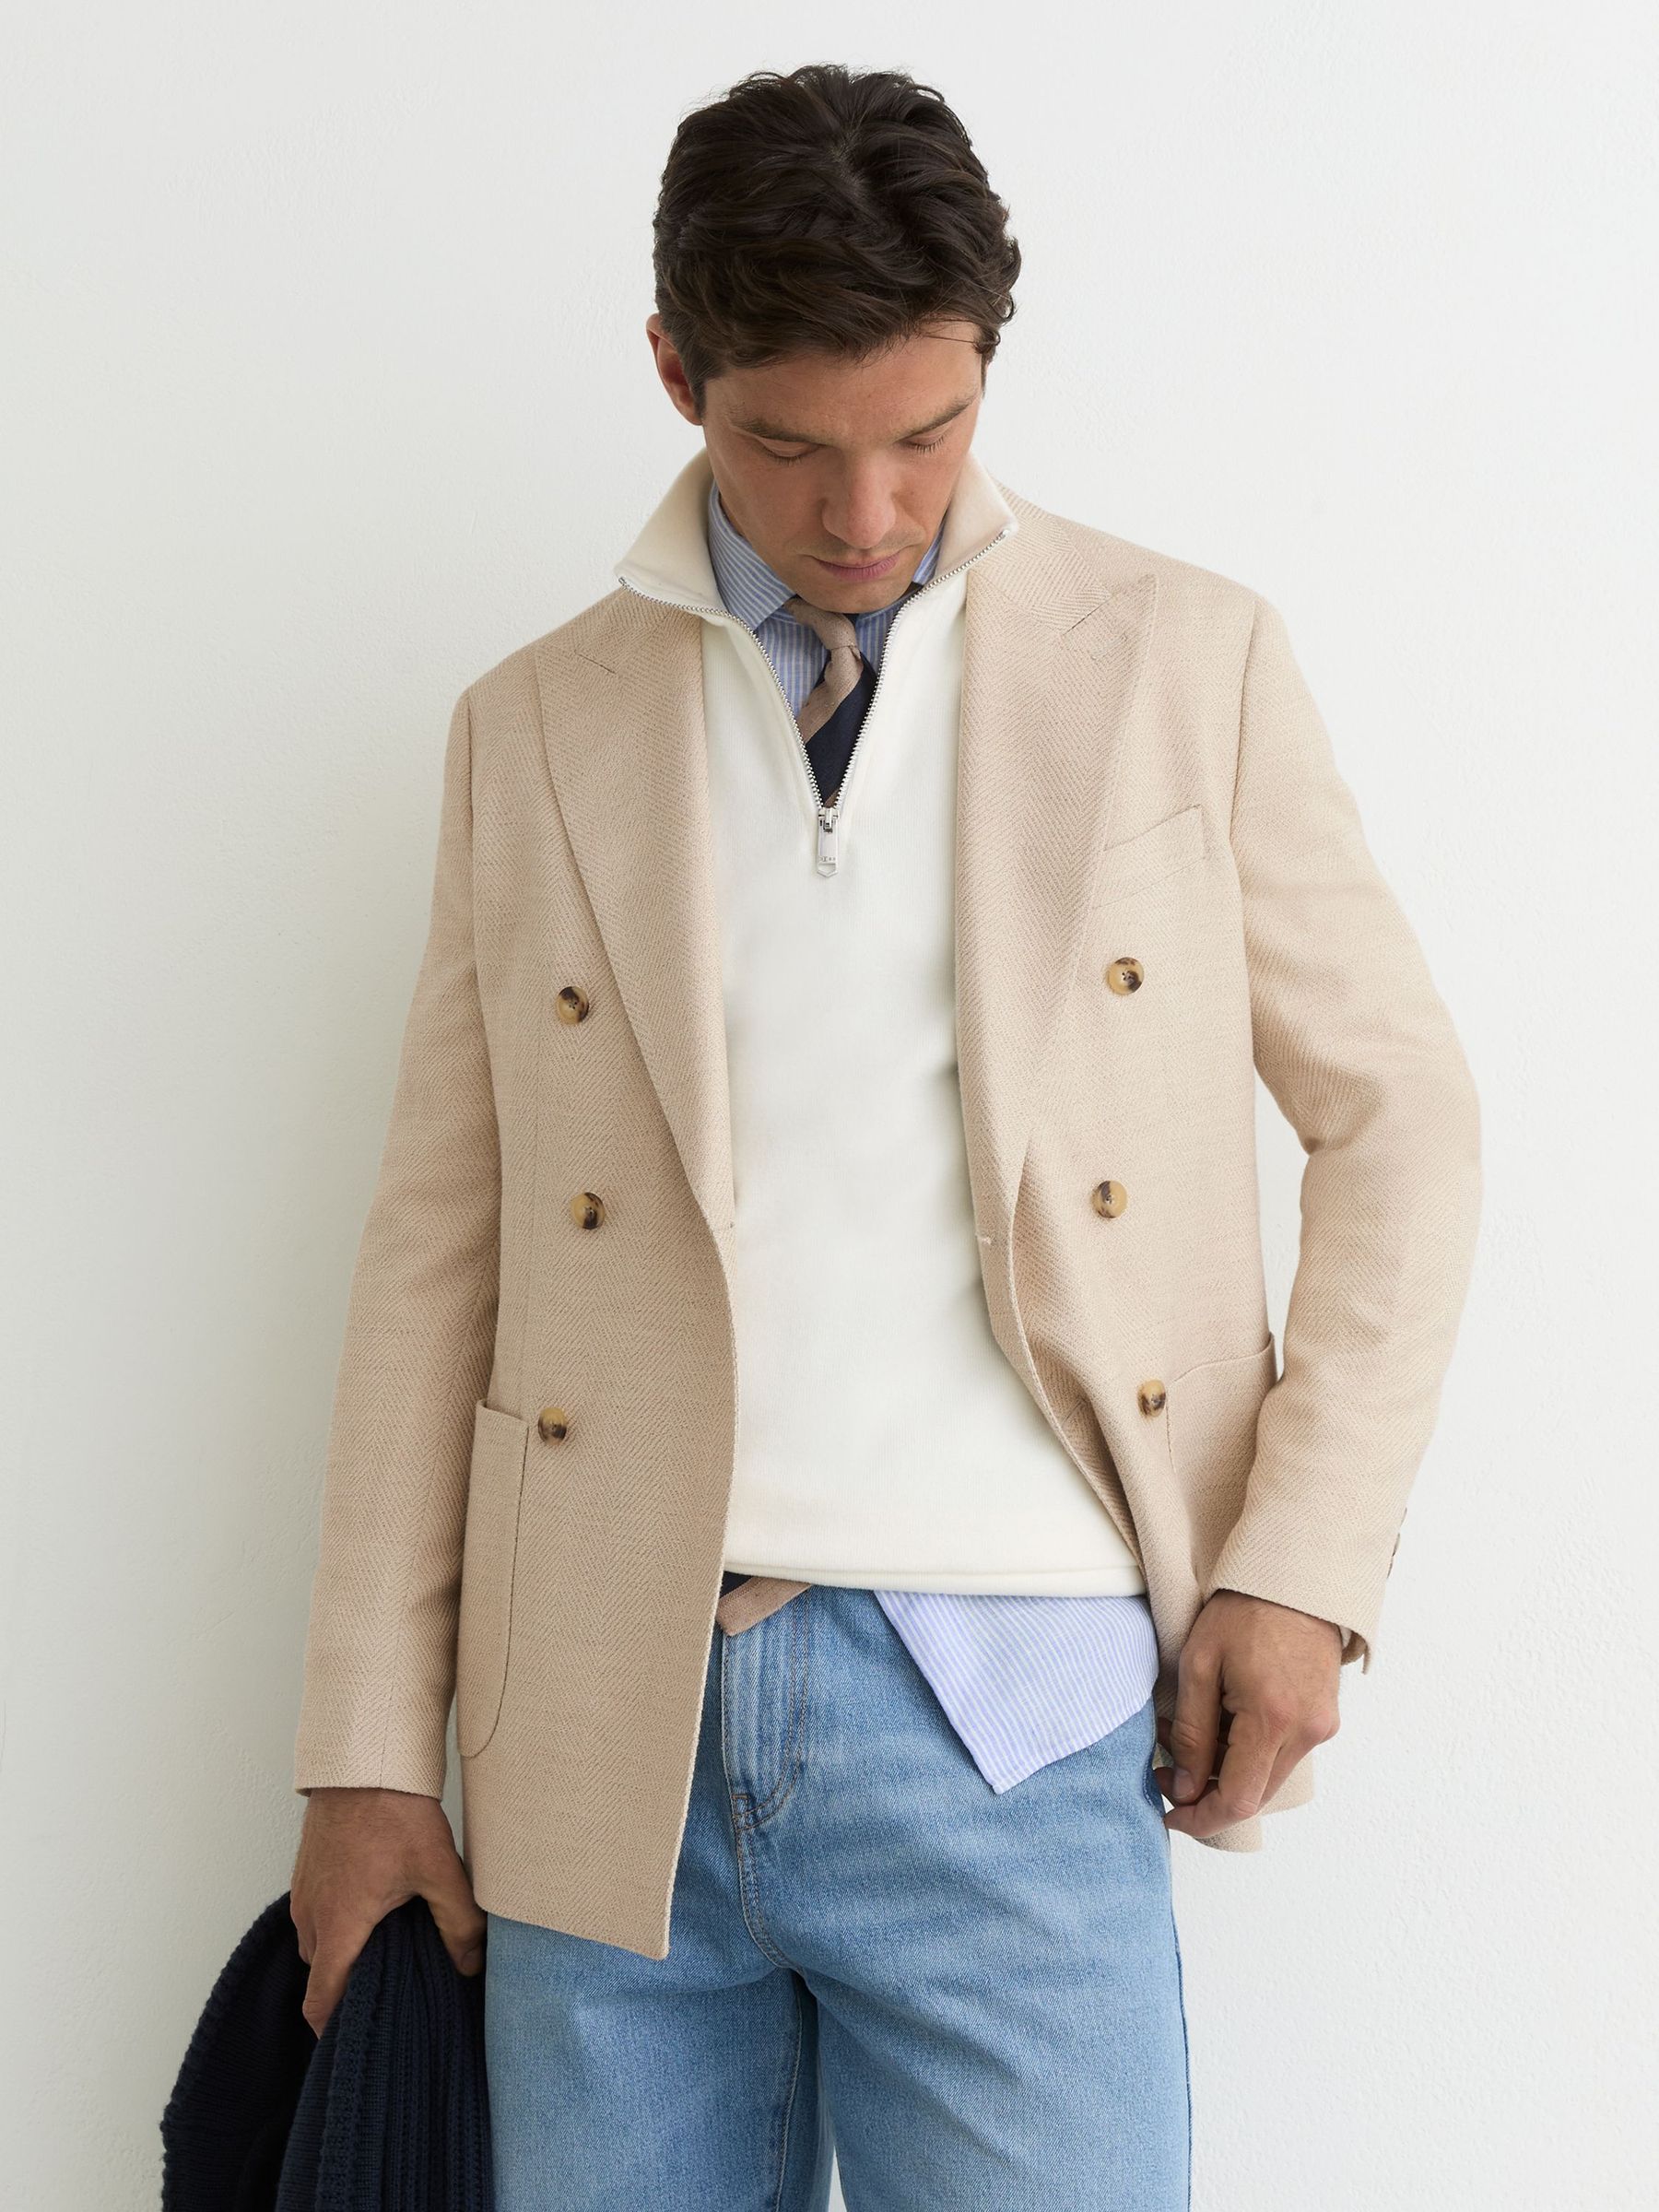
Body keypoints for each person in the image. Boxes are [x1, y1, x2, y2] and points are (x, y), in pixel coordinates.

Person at [288, 61, 1481, 2211]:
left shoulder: (1180, 663)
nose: (868, 511)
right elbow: (435, 1255)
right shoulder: (535, 726)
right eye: (790, 446)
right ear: (678, 373)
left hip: (1014, 1703)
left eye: (929, 432)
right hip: (603, 1729)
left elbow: (1401, 1118)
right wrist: (366, 1758)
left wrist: (1303, 1568)